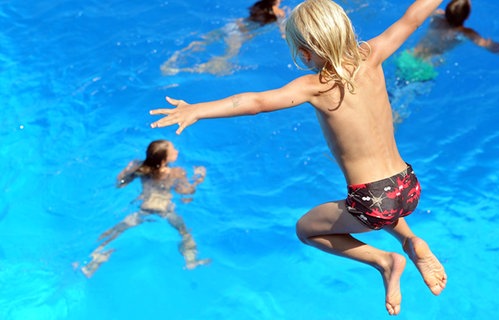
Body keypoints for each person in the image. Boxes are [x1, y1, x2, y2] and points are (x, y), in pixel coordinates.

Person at [150, 0, 447, 315]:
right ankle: (410, 242)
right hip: (407, 184)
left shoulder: (315, 86)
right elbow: (413, 18)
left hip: (374, 200)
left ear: (305, 53)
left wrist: (198, 109)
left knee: (306, 230)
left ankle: (385, 261)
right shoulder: (373, 54)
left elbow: (256, 101)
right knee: (382, 209)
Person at [80, 140, 209, 278]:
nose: (177, 151)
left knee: (114, 233)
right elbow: (186, 193)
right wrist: (199, 178)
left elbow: (120, 183)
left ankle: (93, 261)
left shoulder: (140, 167)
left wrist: (127, 169)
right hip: (165, 211)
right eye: (173, 150)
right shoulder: (177, 173)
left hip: (143, 210)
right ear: (165, 159)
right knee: (185, 233)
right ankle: (190, 260)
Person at [395, 0, 499, 83]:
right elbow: (493, 48)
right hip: (424, 69)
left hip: (408, 58)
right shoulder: (464, 33)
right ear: (466, 17)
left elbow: (416, 10)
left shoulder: (436, 16)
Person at [161, 0, 287, 76]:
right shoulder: (279, 12)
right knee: (228, 56)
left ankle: (174, 58)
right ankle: (198, 68)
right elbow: (282, 29)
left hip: (231, 25)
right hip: (238, 34)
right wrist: (285, 36)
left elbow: (245, 20)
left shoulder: (259, 5)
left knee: (202, 42)